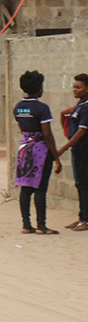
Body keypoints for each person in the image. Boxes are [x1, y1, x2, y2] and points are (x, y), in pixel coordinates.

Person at [14, 70, 63, 235]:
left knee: (25, 187)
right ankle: (41, 225)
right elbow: (47, 134)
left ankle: (26, 224)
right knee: (40, 188)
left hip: (24, 148)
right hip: (40, 149)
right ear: (38, 89)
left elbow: (22, 128)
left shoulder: (18, 108)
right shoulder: (42, 108)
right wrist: (56, 157)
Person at [61, 74, 88, 231]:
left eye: (78, 87)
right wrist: (61, 114)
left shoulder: (86, 107)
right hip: (77, 149)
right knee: (80, 184)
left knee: (84, 184)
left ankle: (85, 219)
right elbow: (69, 128)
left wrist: (63, 148)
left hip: (84, 150)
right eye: (74, 87)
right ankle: (81, 217)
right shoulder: (79, 105)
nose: (75, 90)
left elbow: (80, 132)